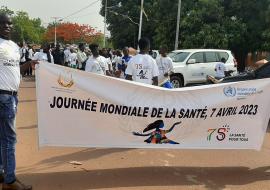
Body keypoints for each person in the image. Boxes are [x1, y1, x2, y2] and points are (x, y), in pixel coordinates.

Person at [0, 13, 38, 190]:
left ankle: (1, 173)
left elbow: (16, 70)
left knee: (3, 137)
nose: (8, 26)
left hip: (13, 95)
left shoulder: (14, 46)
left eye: (10, 23)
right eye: (4, 23)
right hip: (3, 96)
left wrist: (29, 64)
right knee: (9, 139)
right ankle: (10, 181)